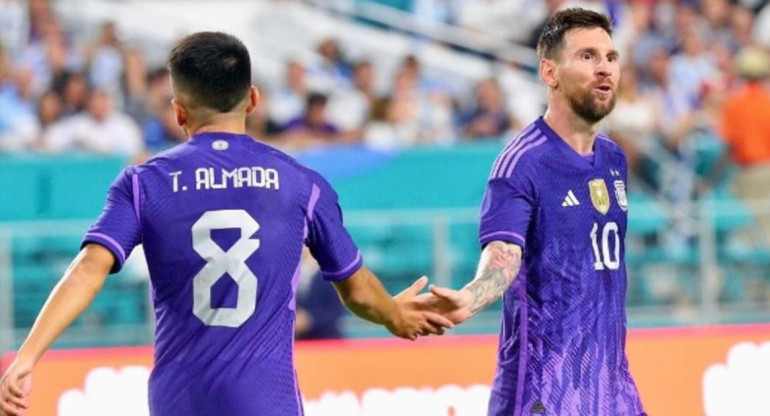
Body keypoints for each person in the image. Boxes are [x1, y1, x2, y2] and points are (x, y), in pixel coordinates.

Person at [0, 32, 452, 416]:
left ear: (179, 111)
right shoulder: (301, 183)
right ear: (253, 99)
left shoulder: (143, 183)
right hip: (266, 401)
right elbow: (356, 290)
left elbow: (87, 270)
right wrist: (394, 314)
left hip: (179, 401)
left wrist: (27, 356)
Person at [419, 9, 647, 415]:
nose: (605, 69)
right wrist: (470, 298)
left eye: (611, 58)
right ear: (549, 72)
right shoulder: (522, 163)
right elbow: (504, 255)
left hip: (613, 390)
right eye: (587, 56)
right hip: (545, 392)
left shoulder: (614, 159)